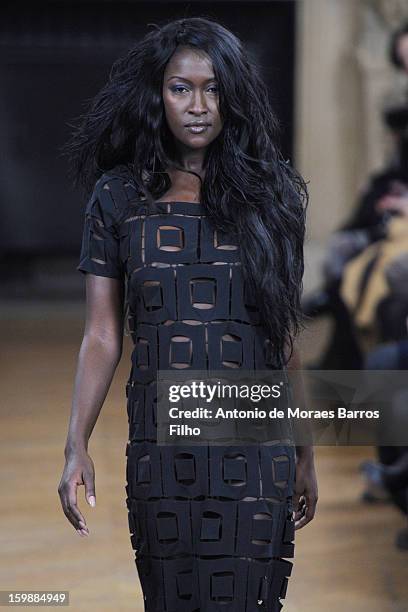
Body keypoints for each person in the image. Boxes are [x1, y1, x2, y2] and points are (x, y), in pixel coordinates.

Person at [58, 17, 318, 611]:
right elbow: (101, 335)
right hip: (160, 451)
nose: (199, 105)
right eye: (181, 88)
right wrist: (77, 443)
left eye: (214, 88)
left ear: (236, 95)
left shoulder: (273, 194)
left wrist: (305, 455)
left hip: (256, 451)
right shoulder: (118, 197)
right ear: (157, 94)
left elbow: (284, 337)